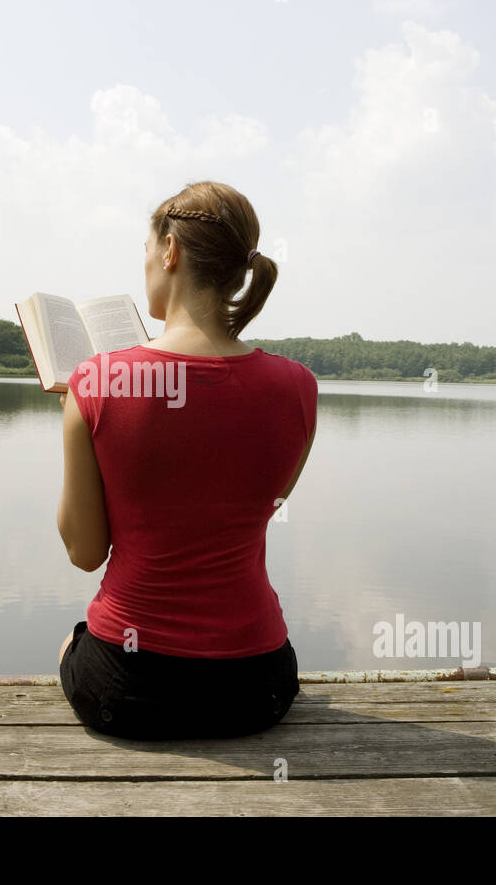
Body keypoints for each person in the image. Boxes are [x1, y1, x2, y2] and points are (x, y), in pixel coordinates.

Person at [54, 180, 318, 739]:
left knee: (67, 644)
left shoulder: (97, 382)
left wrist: (84, 417)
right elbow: (257, 506)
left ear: (170, 250)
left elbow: (84, 552)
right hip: (256, 687)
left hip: (125, 688)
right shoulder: (299, 387)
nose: (146, 263)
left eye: (147, 250)